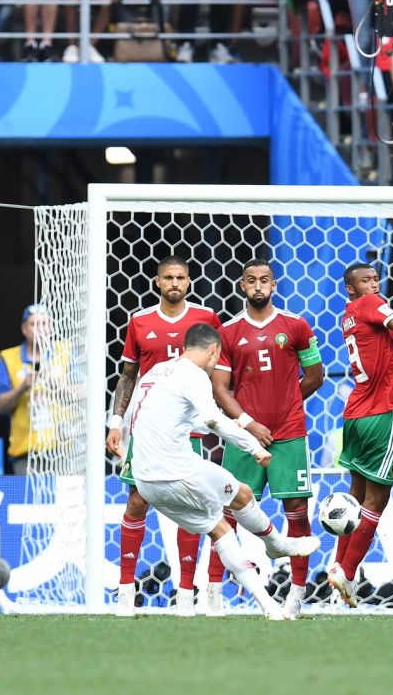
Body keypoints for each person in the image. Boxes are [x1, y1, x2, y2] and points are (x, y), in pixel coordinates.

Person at [124, 322, 321, 621]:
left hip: (146, 479)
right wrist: (253, 446)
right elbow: (214, 420)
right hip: (178, 471)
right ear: (214, 351)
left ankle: (272, 578)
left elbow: (174, 420)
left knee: (229, 512)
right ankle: (276, 559)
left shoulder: (156, 373)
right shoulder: (194, 375)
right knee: (232, 514)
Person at [102, 255, 236, 617]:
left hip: (189, 427)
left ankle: (186, 593)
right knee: (136, 501)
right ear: (157, 282)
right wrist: (115, 422)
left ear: (189, 281)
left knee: (192, 505)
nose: (174, 283)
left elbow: (219, 370)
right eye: (168, 277)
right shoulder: (139, 321)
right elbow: (128, 375)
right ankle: (126, 591)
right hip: (144, 428)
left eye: (180, 277)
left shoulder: (206, 319)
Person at [210, 258, 323, 619]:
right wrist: (248, 422)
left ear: (274, 285)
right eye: (251, 280)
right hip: (244, 437)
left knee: (297, 511)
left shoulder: (297, 326)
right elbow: (219, 388)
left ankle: (297, 594)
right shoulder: (228, 333)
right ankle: (214, 594)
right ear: (242, 286)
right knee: (226, 510)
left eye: (264, 280)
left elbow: (315, 375)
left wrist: (288, 405)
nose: (258, 286)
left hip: (289, 434)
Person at [327, 262, 393, 608]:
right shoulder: (371, 304)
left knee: (355, 497)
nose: (374, 285)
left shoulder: (350, 315)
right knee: (376, 502)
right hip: (383, 414)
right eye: (366, 281)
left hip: (355, 413)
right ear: (351, 288)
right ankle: (348, 573)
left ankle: (339, 565)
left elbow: (388, 344)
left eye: (376, 280)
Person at [0, 304, 74, 477]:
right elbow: (0, 405)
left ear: (52, 326)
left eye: (44, 323)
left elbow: (83, 392)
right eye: (33, 324)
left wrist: (60, 387)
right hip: (26, 452)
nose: (40, 329)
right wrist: (21, 388)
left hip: (63, 450)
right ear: (24, 329)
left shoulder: (66, 351)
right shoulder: (8, 357)